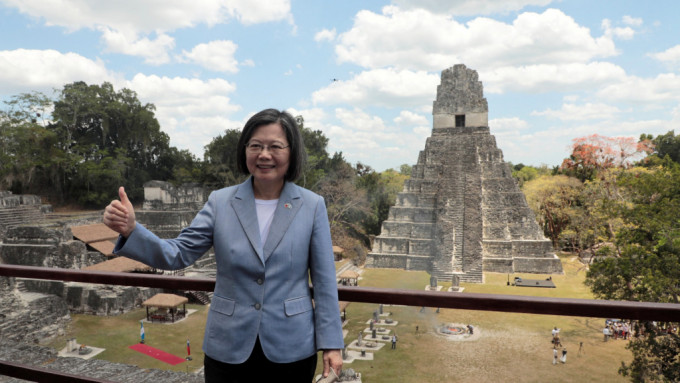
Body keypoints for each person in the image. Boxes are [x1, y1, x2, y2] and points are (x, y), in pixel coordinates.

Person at [103, 109, 344, 382]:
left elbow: (324, 282)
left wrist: (332, 343)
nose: (264, 154)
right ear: (245, 151)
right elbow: (178, 253)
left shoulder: (312, 206)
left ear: (292, 153)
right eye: (255, 146)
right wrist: (132, 231)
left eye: (275, 146)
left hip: (291, 345)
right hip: (229, 344)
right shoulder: (221, 202)